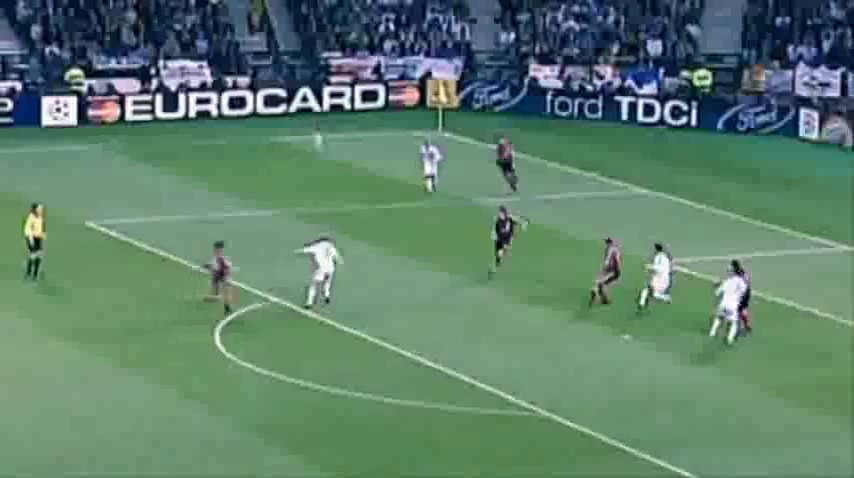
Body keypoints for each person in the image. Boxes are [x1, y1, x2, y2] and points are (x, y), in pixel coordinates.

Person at [709, 260, 749, 346]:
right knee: (734, 322)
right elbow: (744, 290)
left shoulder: (727, 281)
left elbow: (717, 293)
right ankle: (729, 339)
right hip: (733, 305)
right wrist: (739, 297)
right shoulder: (740, 281)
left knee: (719, 317)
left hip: (723, 304)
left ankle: (712, 332)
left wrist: (716, 285)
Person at [296, 236, 341, 308]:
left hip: (321, 269)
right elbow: (337, 258)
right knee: (327, 281)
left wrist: (296, 251)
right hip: (330, 269)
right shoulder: (331, 246)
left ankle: (309, 303)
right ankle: (326, 294)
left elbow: (304, 251)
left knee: (313, 285)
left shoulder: (316, 247)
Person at [489, 205, 528, 277]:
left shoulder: (510, 218)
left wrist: (523, 223)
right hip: (499, 239)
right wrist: (493, 234)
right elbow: (494, 228)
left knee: (502, 251)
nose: (499, 214)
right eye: (499, 212)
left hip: (507, 238)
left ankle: (505, 253)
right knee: (498, 254)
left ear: (503, 212)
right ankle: (496, 265)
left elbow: (518, 220)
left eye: (500, 212)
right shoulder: (498, 220)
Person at [638, 243, 673, 310]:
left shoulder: (659, 257)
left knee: (653, 293)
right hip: (663, 278)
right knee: (647, 290)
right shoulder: (664, 257)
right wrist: (649, 268)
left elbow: (659, 268)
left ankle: (666, 298)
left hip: (660, 279)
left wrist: (649, 267)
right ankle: (641, 304)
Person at [203, 240, 235, 316]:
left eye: (217, 248)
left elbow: (223, 268)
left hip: (223, 276)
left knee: (226, 292)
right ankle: (225, 306)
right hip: (220, 276)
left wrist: (210, 267)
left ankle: (227, 308)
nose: (216, 250)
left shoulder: (221, 259)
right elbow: (216, 266)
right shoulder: (218, 258)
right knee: (222, 293)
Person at [590, 238, 622, 306]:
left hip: (609, 267)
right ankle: (599, 293)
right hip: (613, 268)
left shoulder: (609, 249)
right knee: (606, 283)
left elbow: (607, 259)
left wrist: (603, 268)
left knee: (603, 281)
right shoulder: (616, 248)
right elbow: (616, 259)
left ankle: (601, 295)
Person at [23, 203, 46, 280]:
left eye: (42, 209)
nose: (41, 210)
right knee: (33, 255)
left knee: (39, 256)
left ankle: (35, 274)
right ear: (35, 209)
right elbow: (28, 230)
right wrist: (31, 240)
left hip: (38, 238)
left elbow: (41, 227)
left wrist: (43, 235)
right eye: (40, 209)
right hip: (31, 238)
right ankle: (28, 273)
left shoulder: (41, 217)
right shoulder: (31, 218)